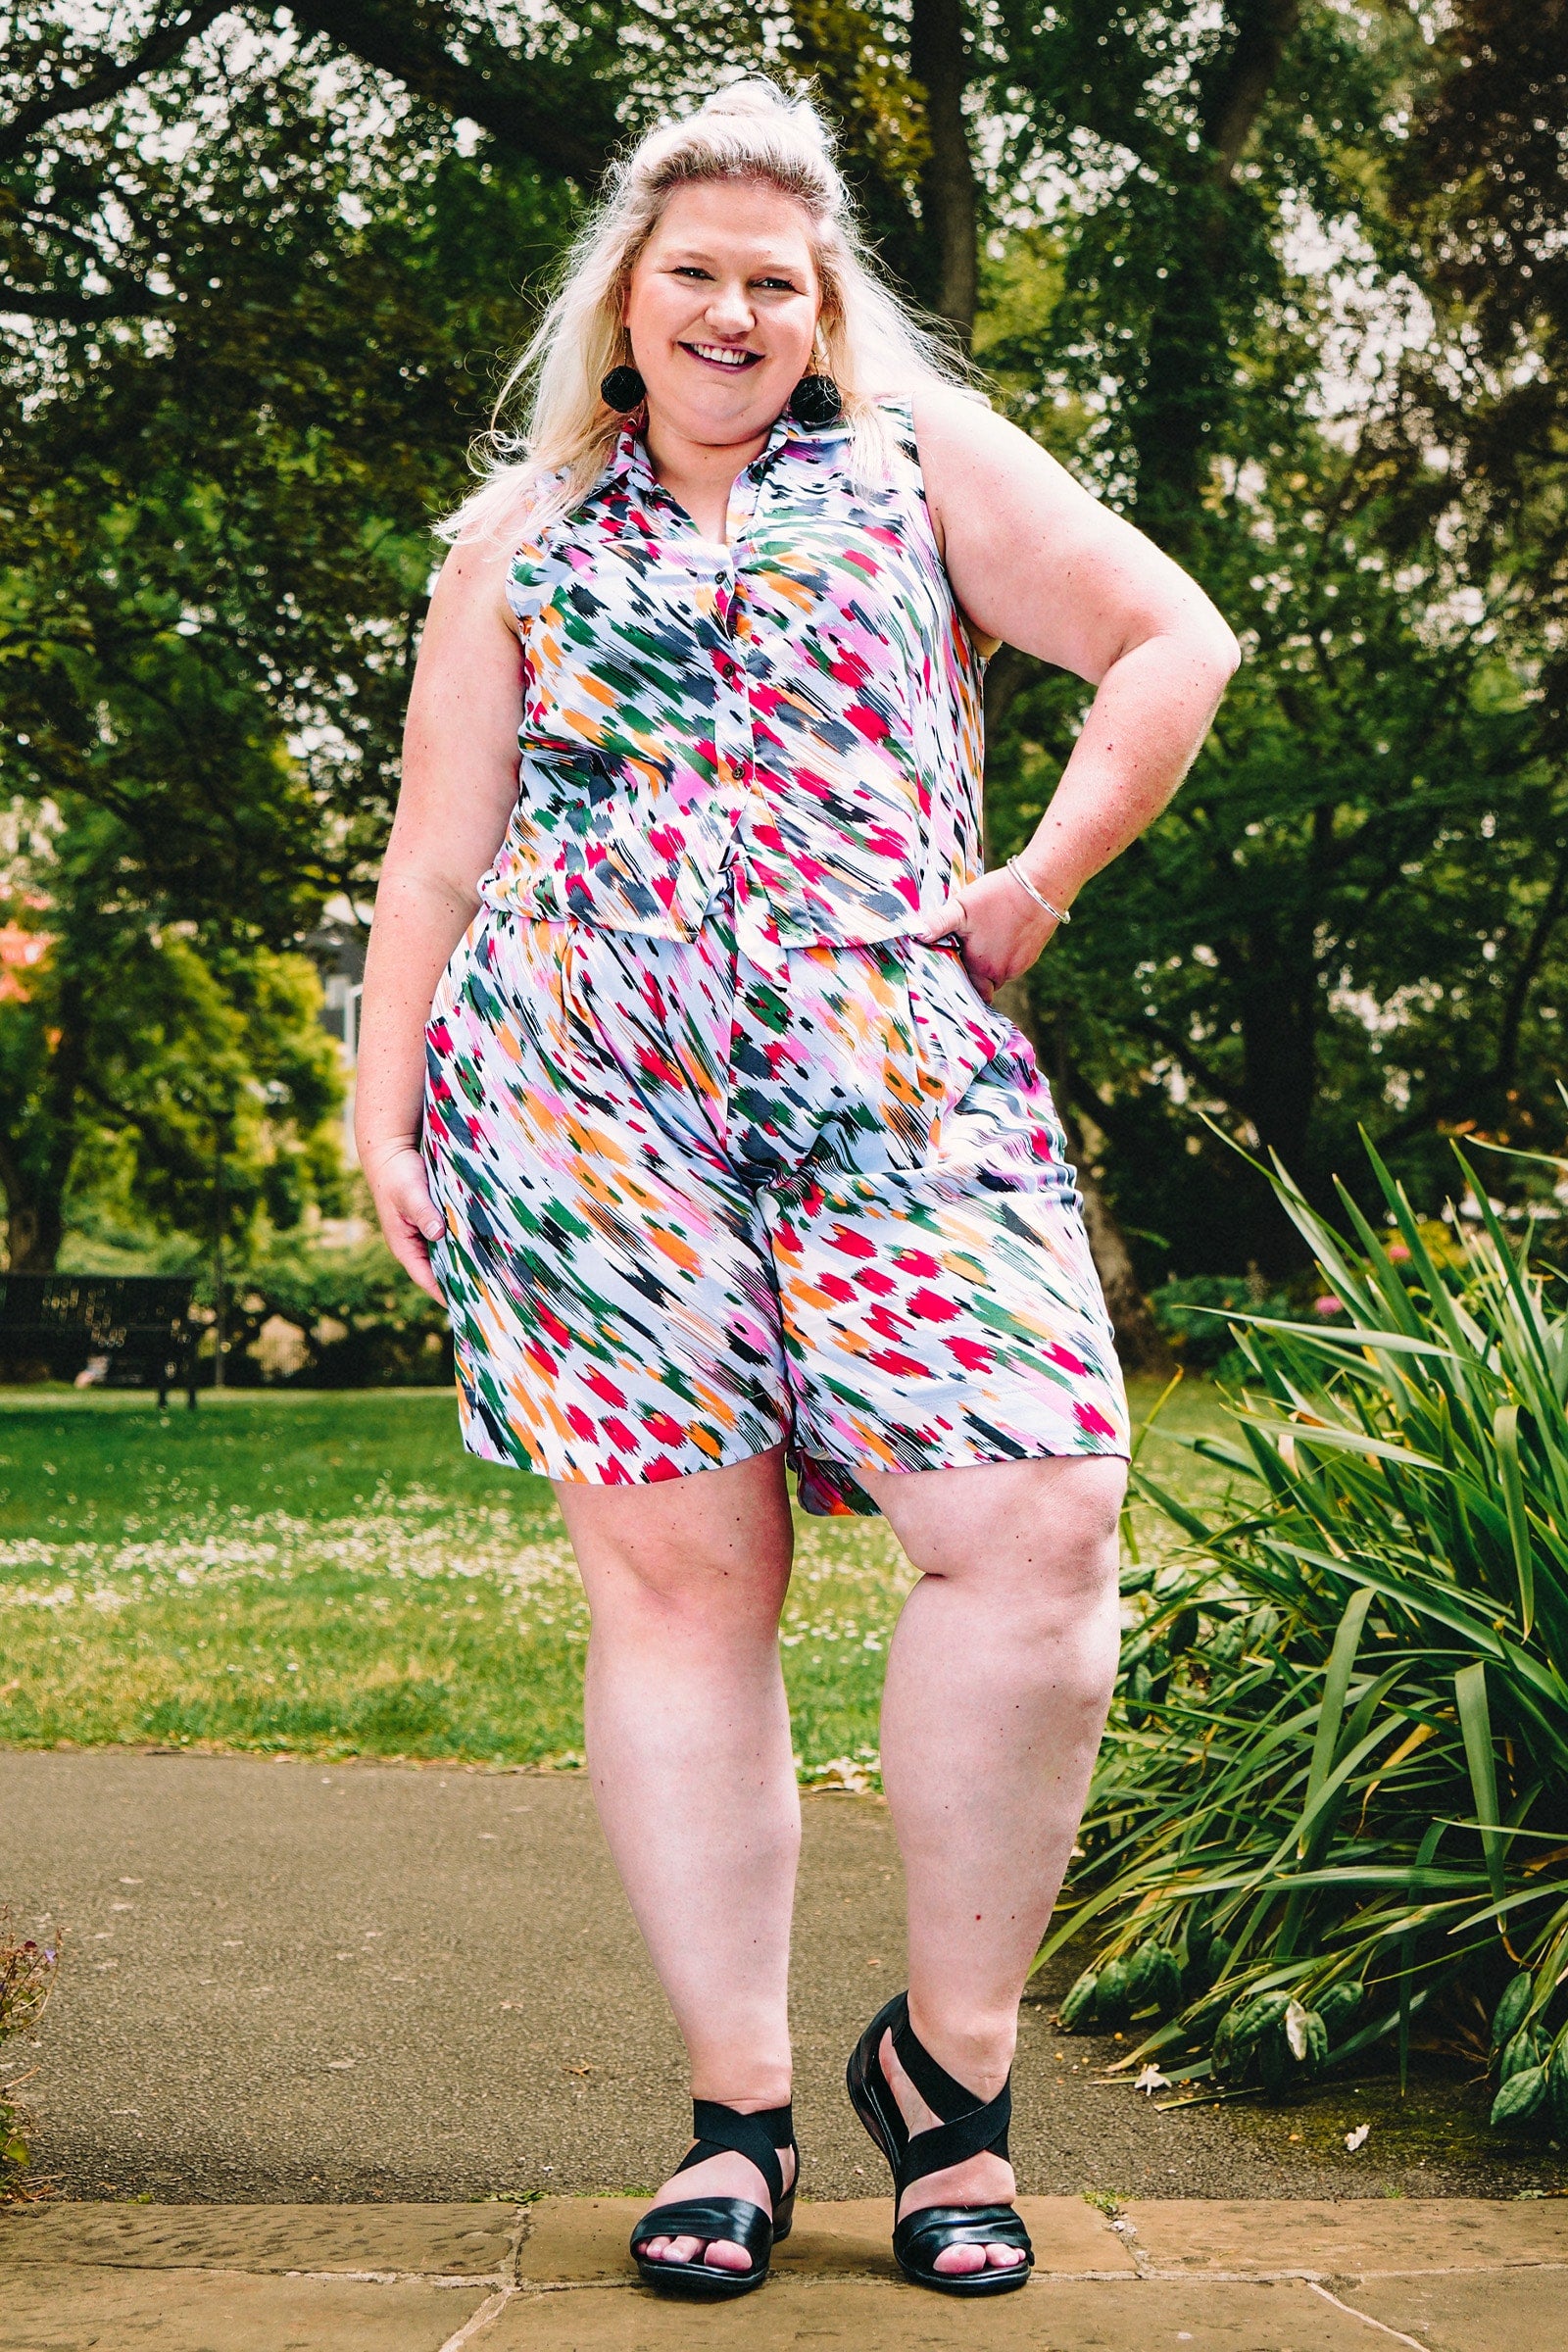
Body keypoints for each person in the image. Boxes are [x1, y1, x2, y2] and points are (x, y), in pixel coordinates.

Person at [357, 78, 1238, 2302]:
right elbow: (437, 857)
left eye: (777, 277)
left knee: (1035, 1525)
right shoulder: (513, 540)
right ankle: (735, 2116)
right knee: (682, 1589)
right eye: (696, 274)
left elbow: (1173, 639)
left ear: (823, 304)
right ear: (624, 301)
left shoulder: (921, 470)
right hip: (574, 1096)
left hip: (888, 1070)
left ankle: (950, 2079)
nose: (735, 311)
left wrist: (1038, 873)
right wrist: (387, 1112)